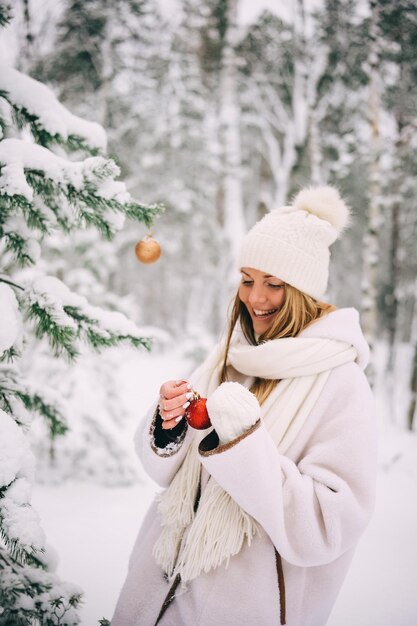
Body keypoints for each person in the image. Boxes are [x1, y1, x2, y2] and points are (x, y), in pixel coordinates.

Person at [111, 185, 377, 626]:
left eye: (274, 284)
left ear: (304, 293)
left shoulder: (340, 382)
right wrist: (169, 426)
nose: (255, 298)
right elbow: (163, 474)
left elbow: (329, 526)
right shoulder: (230, 355)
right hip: (153, 602)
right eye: (248, 279)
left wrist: (243, 445)